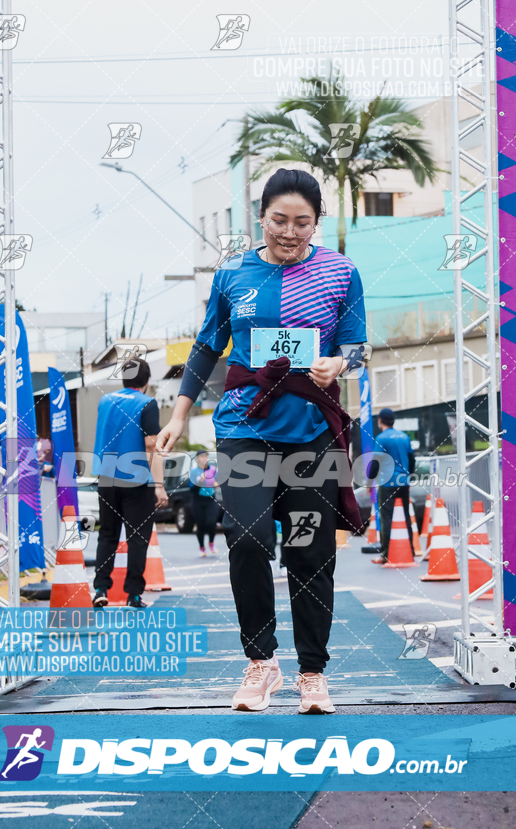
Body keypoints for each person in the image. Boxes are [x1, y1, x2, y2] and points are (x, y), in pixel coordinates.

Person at [156, 168, 367, 715]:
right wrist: (179, 415)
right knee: (247, 538)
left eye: (302, 222)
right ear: (261, 217)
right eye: (279, 220)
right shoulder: (233, 277)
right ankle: (260, 661)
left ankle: (312, 673)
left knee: (309, 551)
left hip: (312, 434)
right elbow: (206, 348)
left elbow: (358, 345)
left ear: (317, 223)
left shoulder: (340, 273)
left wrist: (340, 361)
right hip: (243, 425)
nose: (290, 232)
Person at [92, 358, 168, 609]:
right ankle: (133, 594)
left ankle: (101, 588)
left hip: (106, 476)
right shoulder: (147, 403)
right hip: (136, 480)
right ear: (146, 381)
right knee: (137, 538)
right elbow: (151, 445)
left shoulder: (105, 401)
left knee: (108, 534)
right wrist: (159, 484)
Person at [373, 407, 415, 563]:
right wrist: (409, 478)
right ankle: (409, 549)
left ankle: (386, 553)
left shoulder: (382, 438)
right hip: (403, 482)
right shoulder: (404, 437)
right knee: (405, 516)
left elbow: (376, 461)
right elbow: (412, 459)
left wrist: (370, 479)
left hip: (387, 482)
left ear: (380, 421)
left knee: (387, 517)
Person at [189, 450, 218, 557]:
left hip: (211, 500)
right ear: (197, 459)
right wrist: (200, 481)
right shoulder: (193, 472)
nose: (204, 458)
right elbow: (191, 489)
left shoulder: (213, 469)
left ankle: (211, 543)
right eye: (201, 457)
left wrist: (216, 484)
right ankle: (202, 547)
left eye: (206, 456)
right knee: (200, 525)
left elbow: (218, 482)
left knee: (211, 522)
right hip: (198, 500)